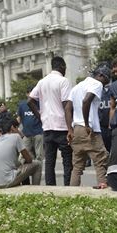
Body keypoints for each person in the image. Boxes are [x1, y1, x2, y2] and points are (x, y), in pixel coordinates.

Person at [29, 56, 73, 186]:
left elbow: (30, 100)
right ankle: (68, 187)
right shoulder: (63, 81)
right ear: (62, 67)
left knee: (49, 161)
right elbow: (67, 106)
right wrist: (70, 128)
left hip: (47, 127)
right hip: (62, 127)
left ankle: (50, 188)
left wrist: (40, 116)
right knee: (67, 160)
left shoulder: (42, 82)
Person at [65, 64, 111, 189]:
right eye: (106, 79)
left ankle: (72, 192)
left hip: (76, 130)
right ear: (100, 75)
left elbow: (68, 108)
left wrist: (70, 129)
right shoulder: (96, 84)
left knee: (77, 166)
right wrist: (87, 124)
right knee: (100, 160)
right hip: (89, 129)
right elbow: (86, 101)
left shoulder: (77, 87)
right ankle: (103, 189)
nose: (106, 83)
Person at [0, 119, 42, 189]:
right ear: (12, 127)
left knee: (18, 166)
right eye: (17, 128)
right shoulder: (16, 137)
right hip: (5, 181)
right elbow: (29, 160)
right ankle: (35, 190)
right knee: (38, 164)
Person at [17, 86, 44, 162]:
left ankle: (38, 172)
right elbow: (18, 119)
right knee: (22, 156)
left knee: (39, 155)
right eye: (29, 93)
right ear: (27, 94)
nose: (31, 94)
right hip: (26, 134)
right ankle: (24, 171)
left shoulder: (40, 103)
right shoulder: (22, 105)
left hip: (38, 132)